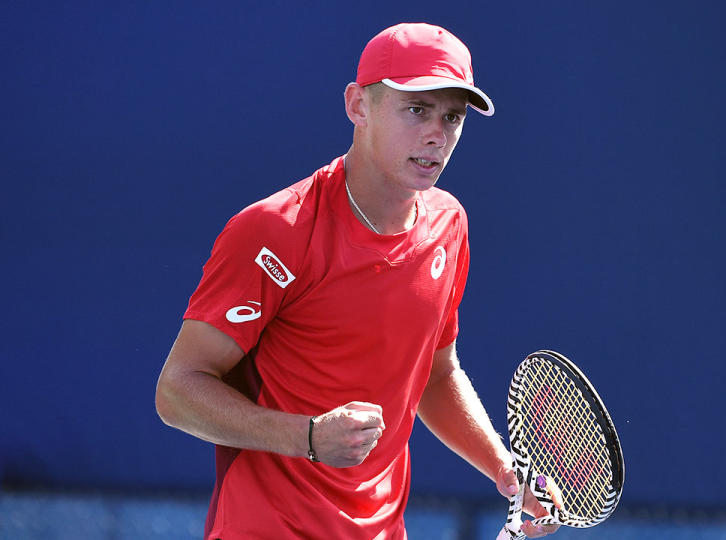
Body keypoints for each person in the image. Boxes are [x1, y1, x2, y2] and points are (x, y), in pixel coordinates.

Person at [155, 22, 560, 539]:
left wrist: (504, 470)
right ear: (358, 106)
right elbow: (177, 392)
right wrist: (307, 436)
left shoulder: (449, 224)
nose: (437, 134)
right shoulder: (274, 230)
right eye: (416, 110)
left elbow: (434, 375)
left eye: (452, 116)